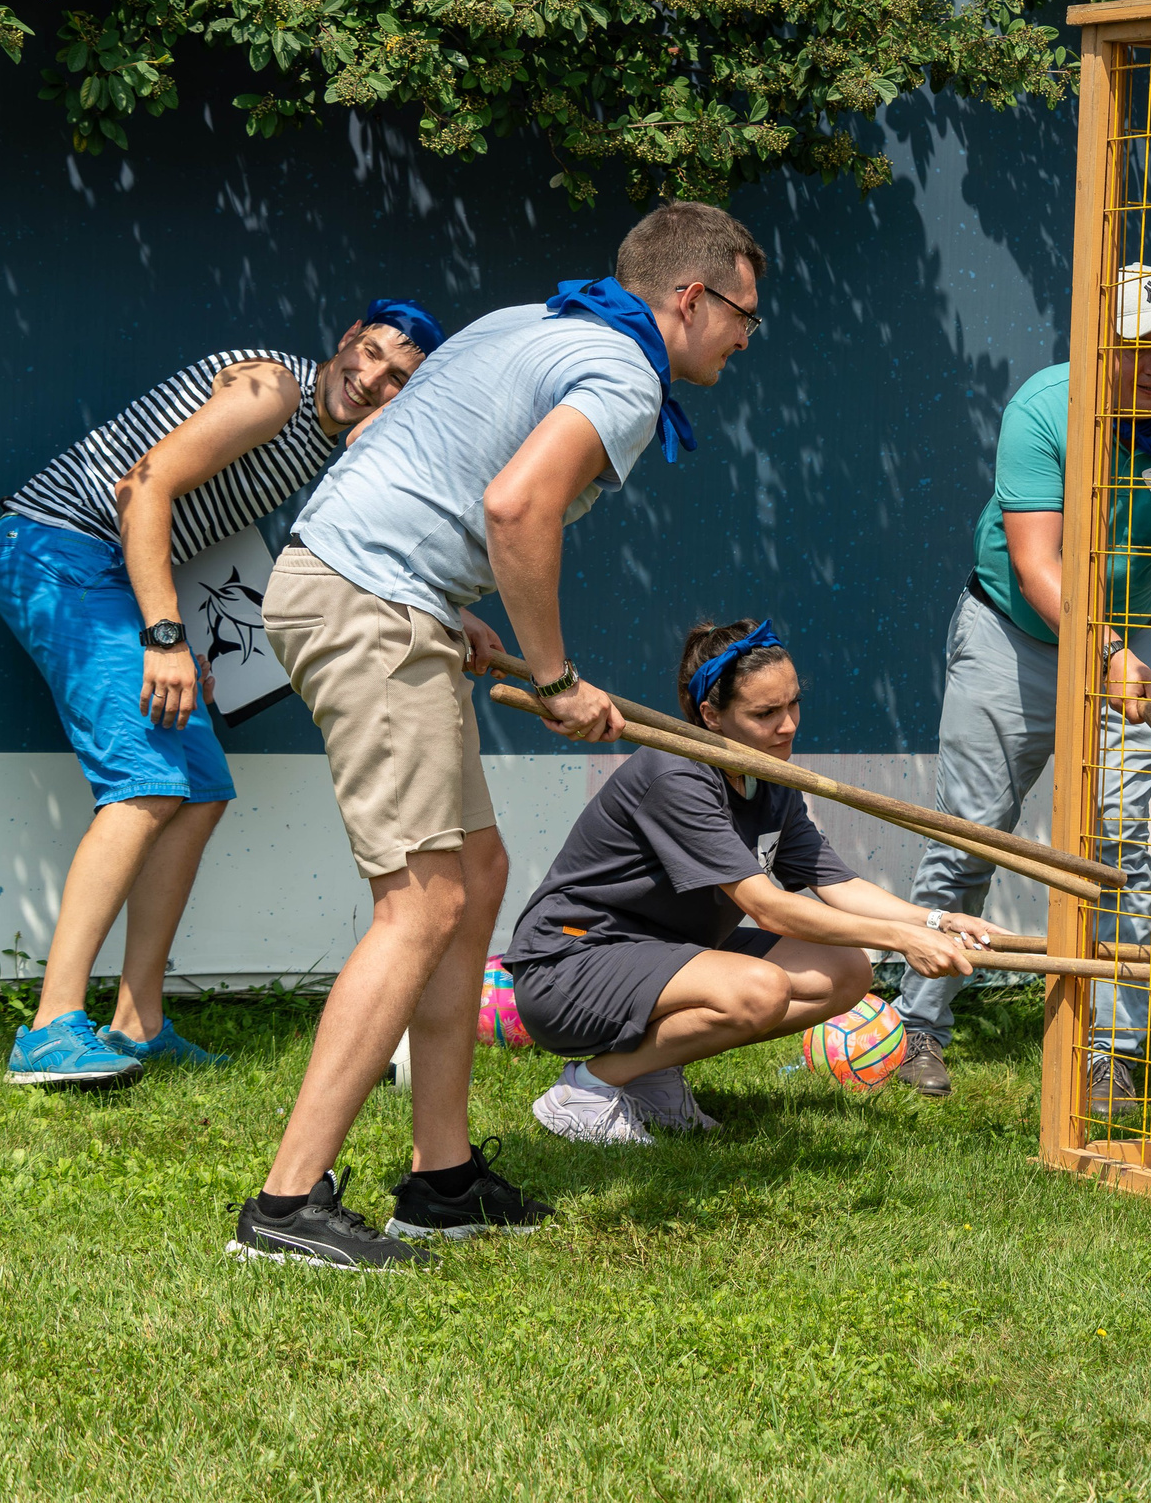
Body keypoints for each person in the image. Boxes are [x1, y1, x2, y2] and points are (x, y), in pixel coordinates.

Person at [227, 202, 763, 1271]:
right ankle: (286, 1208)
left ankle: (440, 1178)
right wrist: (557, 678)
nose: (747, 339)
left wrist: (440, 595)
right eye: (744, 315)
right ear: (691, 299)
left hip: (374, 589)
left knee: (474, 871)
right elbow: (517, 506)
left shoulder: (535, 321)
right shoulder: (619, 370)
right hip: (369, 602)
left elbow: (406, 446)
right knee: (420, 899)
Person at [0, 301, 441, 1089]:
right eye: (367, 352)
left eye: (395, 375)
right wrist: (164, 636)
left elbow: (206, 518)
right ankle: (48, 1028)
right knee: (147, 780)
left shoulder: (319, 442)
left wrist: (177, 628)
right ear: (345, 341)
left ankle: (138, 1023)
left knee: (198, 788)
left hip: (116, 576)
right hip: (60, 551)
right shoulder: (272, 388)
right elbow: (143, 488)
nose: (370, 378)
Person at [891, 264, 1151, 1114]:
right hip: (1014, 635)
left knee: (1120, 850)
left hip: (1126, 652)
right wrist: (1100, 655)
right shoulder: (1044, 408)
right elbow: (1036, 563)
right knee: (972, 831)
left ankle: (1112, 1051)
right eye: (1141, 345)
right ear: (1104, 343)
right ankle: (919, 1025)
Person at [506, 619, 1001, 1144]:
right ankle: (584, 1090)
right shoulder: (677, 774)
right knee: (758, 992)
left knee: (845, 972)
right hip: (569, 964)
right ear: (711, 716)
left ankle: (648, 1071)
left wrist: (936, 920)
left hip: (664, 953)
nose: (788, 725)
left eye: (793, 704)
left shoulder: (768, 775)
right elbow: (767, 908)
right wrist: (903, 940)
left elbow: (839, 885)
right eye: (765, 713)